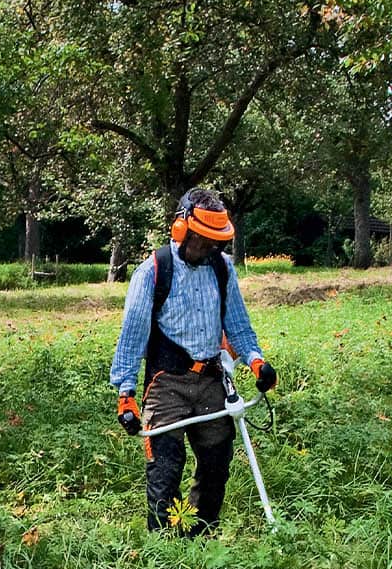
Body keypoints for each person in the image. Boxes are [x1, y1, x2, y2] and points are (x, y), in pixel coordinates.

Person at [109, 186, 277, 531]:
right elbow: (132, 337)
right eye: (203, 239)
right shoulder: (153, 271)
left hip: (211, 381)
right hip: (166, 382)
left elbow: (239, 326)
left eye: (217, 241)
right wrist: (126, 395)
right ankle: (163, 545)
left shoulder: (222, 269)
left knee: (216, 463)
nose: (210, 248)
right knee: (166, 466)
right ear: (181, 228)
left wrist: (257, 361)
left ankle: (202, 537)